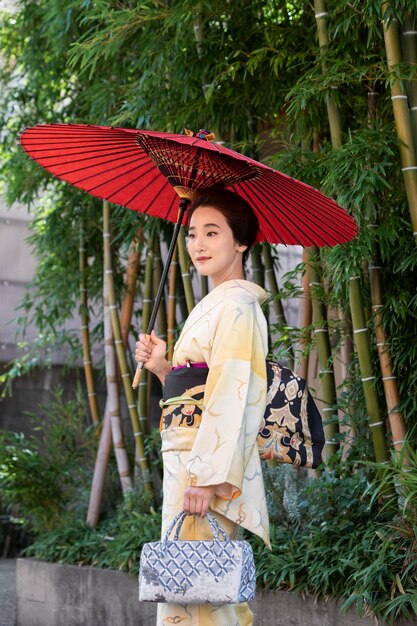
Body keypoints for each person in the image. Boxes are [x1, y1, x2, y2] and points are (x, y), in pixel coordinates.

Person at [135, 189, 270, 626]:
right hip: (189, 464)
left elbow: (233, 395)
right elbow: (193, 395)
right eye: (193, 234)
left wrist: (209, 480)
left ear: (241, 241)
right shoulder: (216, 305)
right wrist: (161, 368)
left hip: (202, 471)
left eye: (212, 233)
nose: (198, 245)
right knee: (194, 591)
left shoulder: (236, 306)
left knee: (198, 598)